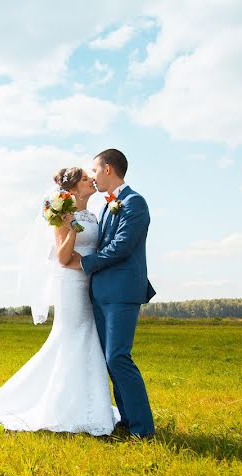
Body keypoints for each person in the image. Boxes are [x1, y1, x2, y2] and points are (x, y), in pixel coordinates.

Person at [0, 166, 119, 436]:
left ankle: (93, 406)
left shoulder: (94, 214)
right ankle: (63, 407)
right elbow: (62, 257)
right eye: (84, 179)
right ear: (72, 189)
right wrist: (70, 230)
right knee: (71, 339)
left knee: (88, 339)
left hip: (92, 282)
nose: (91, 180)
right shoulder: (62, 216)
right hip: (71, 284)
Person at [64, 149, 156, 438]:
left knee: (118, 357)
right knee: (109, 358)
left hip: (122, 291)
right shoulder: (106, 207)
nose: (91, 176)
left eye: (94, 170)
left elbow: (121, 246)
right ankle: (128, 421)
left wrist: (85, 263)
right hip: (101, 292)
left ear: (107, 169)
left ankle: (143, 429)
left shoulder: (134, 202)